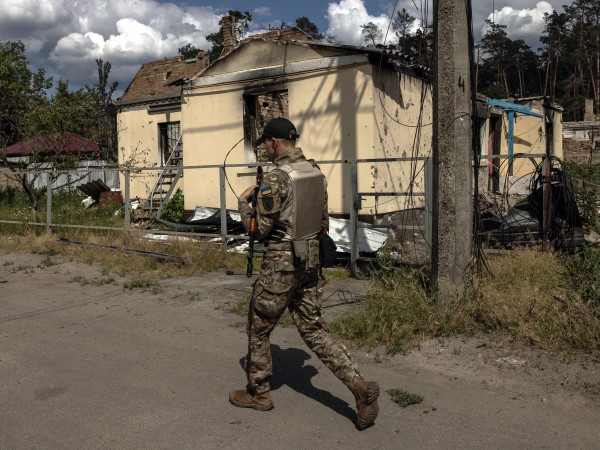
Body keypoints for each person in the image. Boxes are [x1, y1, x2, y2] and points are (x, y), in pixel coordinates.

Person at [229, 117, 380, 430]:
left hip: (281, 264)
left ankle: (259, 394)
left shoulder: (275, 178)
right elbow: (322, 221)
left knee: (259, 327)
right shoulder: (315, 172)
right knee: (314, 329)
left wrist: (245, 204)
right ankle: (359, 387)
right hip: (310, 262)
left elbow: (259, 230)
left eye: (265, 145)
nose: (265, 151)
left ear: (274, 142)